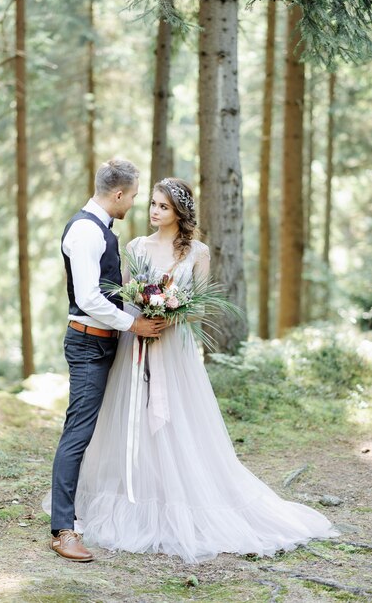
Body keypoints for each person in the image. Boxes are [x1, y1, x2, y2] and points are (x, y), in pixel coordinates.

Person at [69, 178, 339, 563]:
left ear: (179, 212)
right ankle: (136, 494)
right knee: (133, 420)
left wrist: (169, 312)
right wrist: (143, 313)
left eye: (162, 206)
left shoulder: (197, 252)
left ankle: (179, 497)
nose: (153, 212)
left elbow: (200, 306)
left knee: (177, 422)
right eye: (151, 204)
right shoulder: (134, 247)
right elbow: (125, 295)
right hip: (137, 343)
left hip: (174, 349)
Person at [48, 159, 166, 562]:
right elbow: (88, 298)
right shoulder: (85, 231)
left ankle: (84, 511)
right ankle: (63, 529)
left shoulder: (99, 229)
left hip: (104, 342)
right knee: (78, 431)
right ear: (118, 194)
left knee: (90, 430)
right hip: (87, 345)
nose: (134, 204)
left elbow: (105, 289)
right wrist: (133, 324)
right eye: (133, 196)